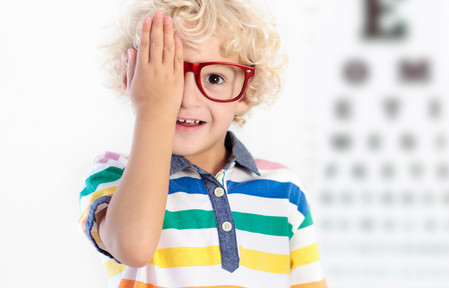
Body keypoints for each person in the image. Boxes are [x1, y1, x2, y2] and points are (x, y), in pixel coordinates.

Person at [77, 0, 327, 287]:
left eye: (214, 78)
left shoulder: (285, 190)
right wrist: (154, 110)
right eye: (168, 76)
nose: (187, 98)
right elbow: (134, 248)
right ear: (131, 78)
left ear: (246, 90)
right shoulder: (114, 177)